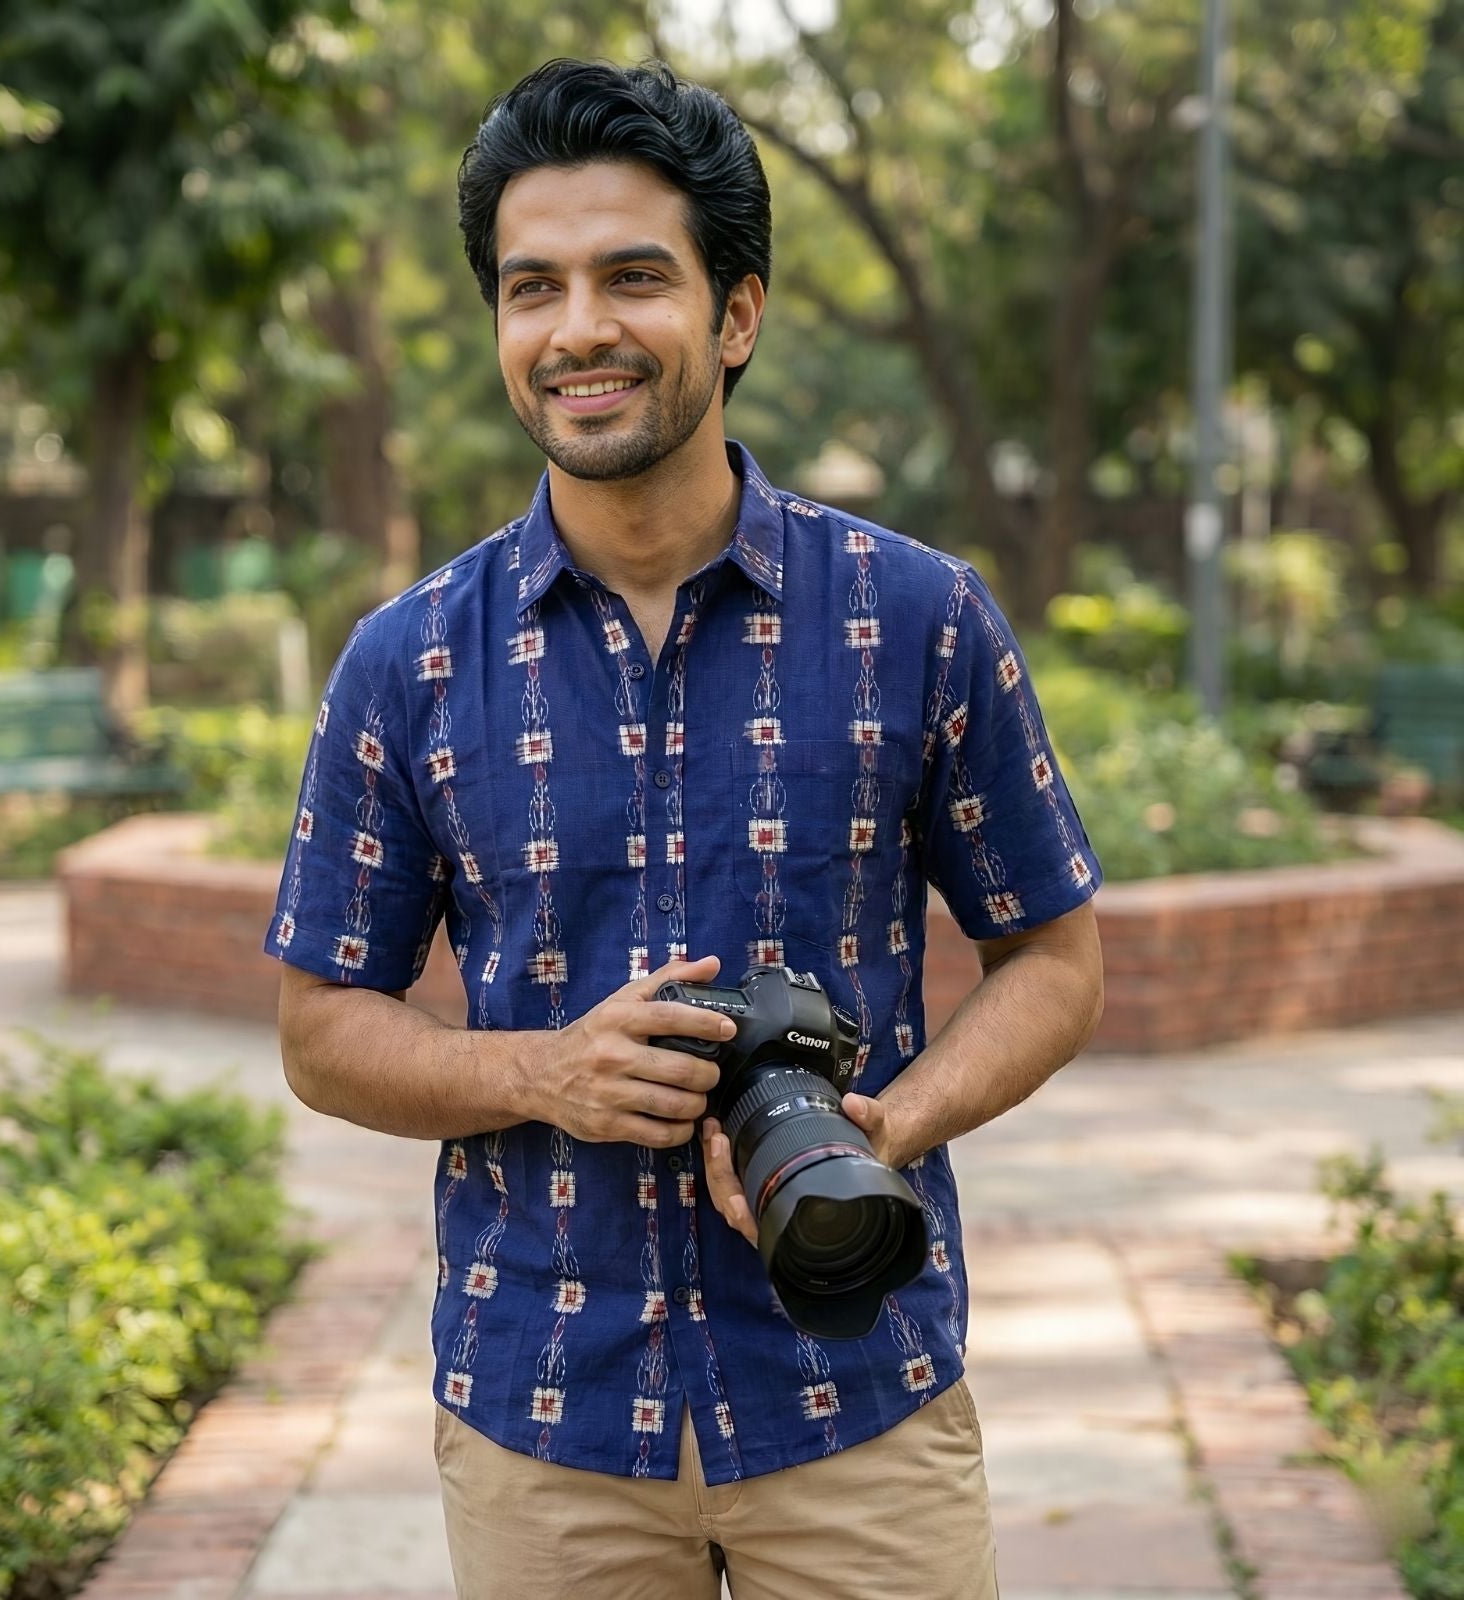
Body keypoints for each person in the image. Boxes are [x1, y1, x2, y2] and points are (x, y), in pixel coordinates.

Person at [267, 56, 1103, 1600]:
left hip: (859, 1400)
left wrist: (887, 1130)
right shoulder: (408, 660)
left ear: (735, 314)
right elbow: (320, 1028)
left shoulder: (917, 618)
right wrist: (540, 1073)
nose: (576, 327)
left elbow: (1056, 957)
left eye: (631, 276)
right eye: (533, 288)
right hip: (543, 1418)